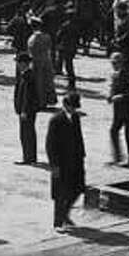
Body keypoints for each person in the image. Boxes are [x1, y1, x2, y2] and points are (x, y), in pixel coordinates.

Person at [45, 91, 87, 231]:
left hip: (75, 160)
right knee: (60, 194)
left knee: (78, 188)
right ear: (65, 105)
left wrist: (82, 156)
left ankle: (65, 214)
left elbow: (79, 138)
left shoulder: (75, 117)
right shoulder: (56, 120)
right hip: (61, 163)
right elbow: (50, 145)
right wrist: (54, 165)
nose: (74, 110)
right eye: (72, 107)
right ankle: (58, 222)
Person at [106, 51, 129, 167]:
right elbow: (113, 88)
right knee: (114, 130)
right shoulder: (115, 74)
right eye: (112, 63)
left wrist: (121, 96)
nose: (114, 65)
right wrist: (110, 95)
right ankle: (117, 156)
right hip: (118, 109)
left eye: (116, 63)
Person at [13, 52, 41, 165]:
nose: (18, 65)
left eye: (19, 63)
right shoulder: (26, 74)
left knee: (27, 134)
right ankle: (29, 157)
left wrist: (24, 110)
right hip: (27, 110)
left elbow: (27, 96)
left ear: (24, 63)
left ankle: (29, 158)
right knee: (27, 133)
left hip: (27, 110)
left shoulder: (28, 76)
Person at [27, 16, 58, 109]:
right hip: (46, 60)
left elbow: (31, 51)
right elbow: (50, 47)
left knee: (38, 82)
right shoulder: (47, 36)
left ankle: (40, 102)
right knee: (47, 81)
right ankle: (48, 100)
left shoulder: (32, 38)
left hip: (36, 62)